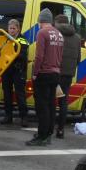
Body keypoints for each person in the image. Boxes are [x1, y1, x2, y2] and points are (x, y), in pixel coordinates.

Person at [26, 8, 64, 146]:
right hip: (55, 73)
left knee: (41, 107)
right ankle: (48, 134)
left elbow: (39, 55)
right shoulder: (59, 34)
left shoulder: (42, 33)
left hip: (44, 73)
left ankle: (41, 136)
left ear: (41, 21)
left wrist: (35, 73)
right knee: (51, 106)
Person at [55, 13, 81, 139]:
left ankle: (47, 129)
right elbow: (79, 59)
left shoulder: (56, 35)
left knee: (50, 100)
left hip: (55, 73)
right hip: (68, 74)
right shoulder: (77, 37)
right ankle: (61, 130)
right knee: (63, 102)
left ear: (58, 23)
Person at [0, 19, 29, 127]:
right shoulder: (5, 39)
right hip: (6, 70)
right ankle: (8, 116)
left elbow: (23, 54)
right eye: (10, 28)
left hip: (18, 70)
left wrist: (11, 51)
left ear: (18, 29)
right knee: (6, 94)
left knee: (20, 94)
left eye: (13, 28)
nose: (11, 30)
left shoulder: (22, 40)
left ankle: (24, 117)